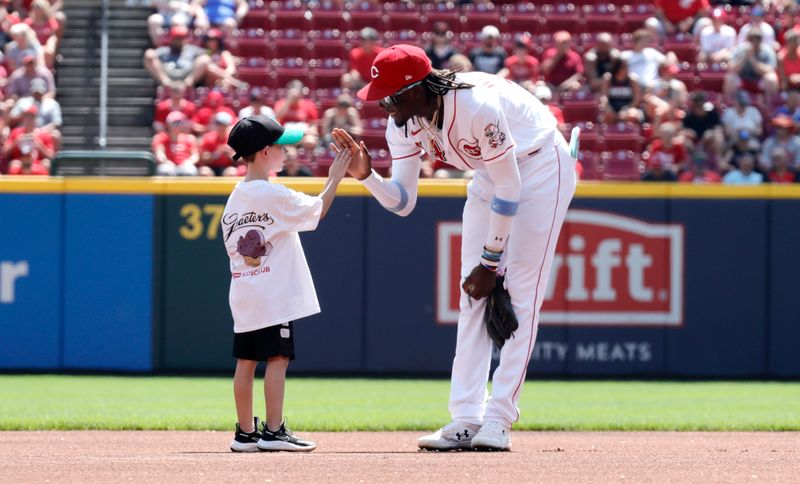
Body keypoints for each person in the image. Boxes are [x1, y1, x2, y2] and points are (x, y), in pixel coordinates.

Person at [331, 44, 577, 452]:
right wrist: (368, 176)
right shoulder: (404, 122)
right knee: (472, 294)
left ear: (413, 90)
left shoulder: (476, 106)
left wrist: (490, 261)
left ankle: (498, 419)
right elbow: (404, 202)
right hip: (489, 175)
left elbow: (511, 188)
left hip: (539, 168)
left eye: (388, 96)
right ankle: (466, 417)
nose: (381, 105)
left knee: (519, 292)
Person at [222, 115, 350, 452]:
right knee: (277, 359)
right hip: (274, 294)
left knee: (246, 362)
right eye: (281, 147)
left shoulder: (236, 197)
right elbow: (317, 210)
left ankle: (245, 433)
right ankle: (274, 430)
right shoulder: (271, 194)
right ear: (265, 152)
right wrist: (334, 176)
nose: (286, 152)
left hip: (246, 292)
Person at [143, 25, 208, 89]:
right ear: (171, 38)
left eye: (181, 38)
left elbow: (208, 53)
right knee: (149, 56)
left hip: (187, 80)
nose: (178, 41)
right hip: (167, 80)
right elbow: (149, 54)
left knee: (205, 59)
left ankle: (190, 81)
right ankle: (164, 80)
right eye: (176, 38)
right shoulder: (165, 50)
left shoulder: (191, 49)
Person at [724, 29, 778, 100]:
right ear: (748, 40)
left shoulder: (767, 51)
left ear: (760, 41)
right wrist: (744, 57)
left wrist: (752, 59)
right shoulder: (740, 49)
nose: (754, 43)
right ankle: (730, 104)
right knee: (730, 77)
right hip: (742, 77)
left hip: (760, 79)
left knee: (771, 78)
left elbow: (770, 70)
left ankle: (769, 106)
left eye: (757, 40)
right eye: (751, 40)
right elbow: (731, 68)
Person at [152, 111, 199, 176]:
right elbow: (159, 154)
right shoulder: (160, 137)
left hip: (185, 165)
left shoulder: (190, 138)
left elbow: (195, 155)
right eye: (176, 123)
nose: (178, 125)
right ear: (168, 124)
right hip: (168, 164)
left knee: (189, 170)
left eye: (180, 122)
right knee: (165, 170)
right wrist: (167, 162)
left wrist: (189, 162)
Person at [599, 57, 643, 124]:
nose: (627, 69)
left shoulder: (632, 80)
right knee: (607, 115)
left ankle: (630, 133)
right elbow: (604, 97)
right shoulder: (608, 79)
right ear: (618, 68)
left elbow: (636, 99)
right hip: (612, 108)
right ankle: (610, 133)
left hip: (628, 107)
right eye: (624, 67)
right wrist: (608, 108)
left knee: (632, 116)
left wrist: (626, 110)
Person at [198, 110, 236, 176]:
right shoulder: (208, 137)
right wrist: (216, 154)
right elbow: (203, 158)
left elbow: (242, 159)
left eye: (223, 124)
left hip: (227, 167)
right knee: (204, 172)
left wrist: (230, 155)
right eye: (218, 124)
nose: (220, 127)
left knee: (231, 172)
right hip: (211, 167)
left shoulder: (234, 139)